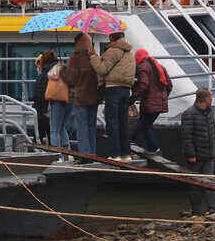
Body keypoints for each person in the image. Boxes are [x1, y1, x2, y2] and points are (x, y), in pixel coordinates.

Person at [92, 29, 136, 160]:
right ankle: (125, 154)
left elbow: (102, 69)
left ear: (111, 37)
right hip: (126, 89)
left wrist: (94, 57)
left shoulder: (113, 51)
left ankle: (114, 154)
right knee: (123, 122)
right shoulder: (129, 53)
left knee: (112, 122)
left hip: (113, 89)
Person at [179, 87, 215, 215]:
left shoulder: (209, 112)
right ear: (204, 99)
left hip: (209, 154)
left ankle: (212, 209)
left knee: (210, 182)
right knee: (194, 184)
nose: (212, 100)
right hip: (197, 156)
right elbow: (186, 137)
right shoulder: (189, 114)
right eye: (210, 97)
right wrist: (191, 155)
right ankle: (196, 211)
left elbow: (213, 133)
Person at [60, 33, 100, 160]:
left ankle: (84, 155)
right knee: (91, 127)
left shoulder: (75, 57)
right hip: (94, 97)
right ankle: (93, 154)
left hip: (81, 97)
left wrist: (62, 71)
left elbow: (71, 80)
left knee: (82, 127)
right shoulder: (94, 56)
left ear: (77, 43)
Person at [132, 48, 172, 155]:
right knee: (146, 124)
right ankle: (149, 147)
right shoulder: (159, 66)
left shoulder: (143, 67)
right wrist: (163, 97)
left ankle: (154, 148)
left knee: (145, 125)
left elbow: (143, 85)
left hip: (150, 103)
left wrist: (133, 97)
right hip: (160, 103)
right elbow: (169, 85)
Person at [33, 51, 57, 142]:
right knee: (55, 132)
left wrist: (38, 108)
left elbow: (39, 94)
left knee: (39, 136)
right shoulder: (57, 71)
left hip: (44, 110)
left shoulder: (43, 76)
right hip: (54, 107)